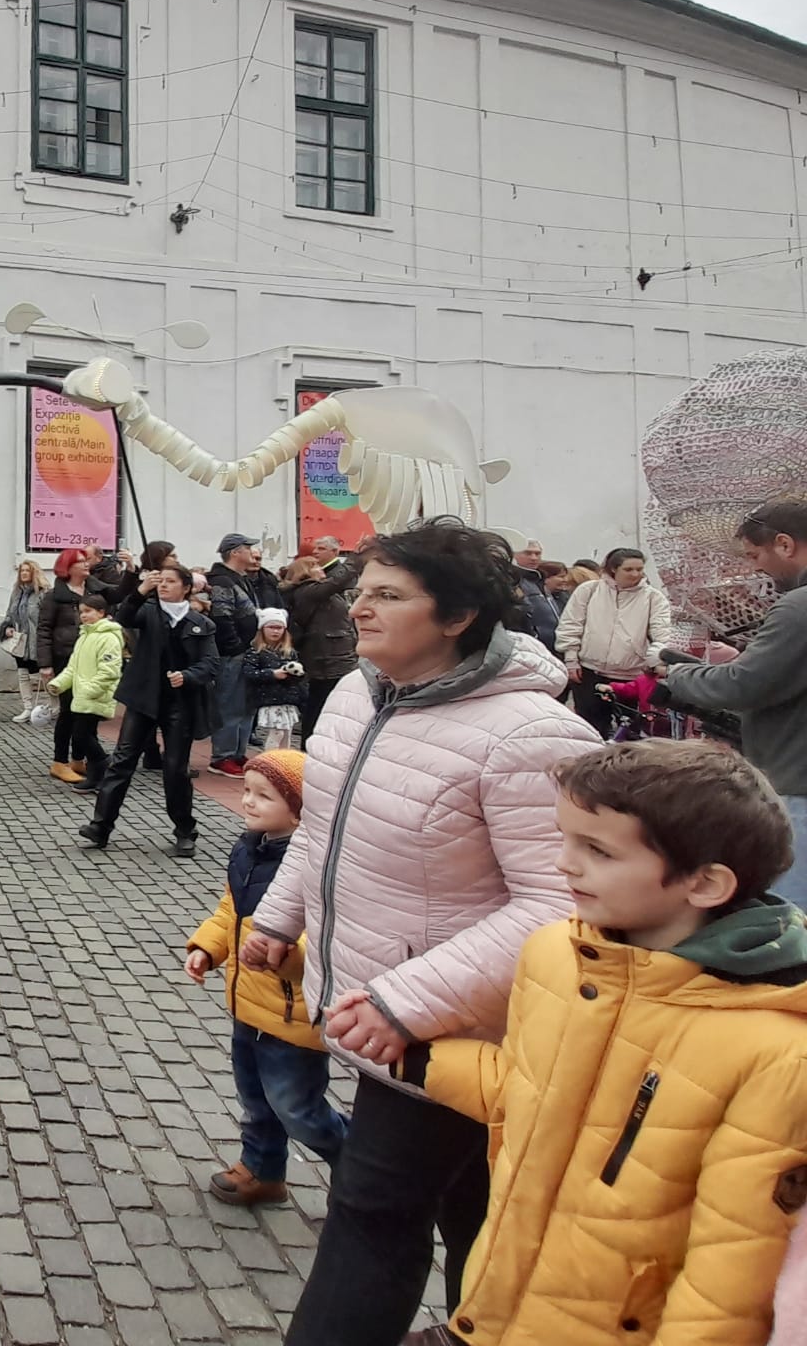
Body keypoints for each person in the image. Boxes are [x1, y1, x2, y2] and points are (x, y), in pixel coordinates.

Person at [240, 517, 599, 1346]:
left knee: (373, 1213)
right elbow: (324, 830)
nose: (360, 610)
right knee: (479, 1211)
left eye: (389, 596)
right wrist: (277, 919)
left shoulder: (530, 735)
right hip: (387, 1012)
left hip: (460, 1031)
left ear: (457, 616)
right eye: (360, 592)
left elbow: (563, 907)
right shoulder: (355, 692)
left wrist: (406, 1000)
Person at [380, 740, 807, 1346]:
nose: (564, 864)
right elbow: (529, 1093)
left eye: (597, 851)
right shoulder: (559, 956)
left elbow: (729, 1273)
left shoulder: (777, 1052)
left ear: (706, 883)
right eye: (566, 839)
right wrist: (421, 1056)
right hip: (497, 1311)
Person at [184, 750, 345, 1207]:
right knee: (256, 1100)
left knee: (299, 1110)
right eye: (247, 791)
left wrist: (289, 956)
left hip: (293, 1016)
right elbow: (229, 912)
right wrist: (206, 948)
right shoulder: (248, 850)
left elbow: (328, 939)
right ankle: (262, 1169)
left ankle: (358, 1168)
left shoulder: (316, 867)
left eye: (264, 795)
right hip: (248, 1005)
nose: (249, 802)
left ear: (300, 810)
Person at [659, 500, 807, 909]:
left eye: (755, 555)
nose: (757, 568)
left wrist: (679, 677)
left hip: (798, 786)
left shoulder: (798, 608)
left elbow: (744, 685)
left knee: (790, 916)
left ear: (784, 544)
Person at [77, 565, 218, 855]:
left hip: (179, 704)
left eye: (170, 582)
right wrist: (140, 591)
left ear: (187, 587)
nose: (163, 586)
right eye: (160, 581)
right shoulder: (148, 611)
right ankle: (100, 826)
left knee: (175, 768)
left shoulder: (200, 624)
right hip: (143, 698)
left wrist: (188, 676)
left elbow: (211, 663)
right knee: (122, 761)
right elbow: (125, 616)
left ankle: (184, 830)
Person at [557, 545, 673, 737]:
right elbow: (570, 625)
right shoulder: (589, 590)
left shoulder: (654, 597)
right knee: (590, 729)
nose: (635, 574)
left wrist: (653, 664)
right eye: (628, 569)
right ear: (613, 569)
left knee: (629, 731)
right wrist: (570, 659)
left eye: (639, 569)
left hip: (631, 674)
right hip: (589, 671)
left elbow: (662, 635)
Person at [206, 534, 282, 777]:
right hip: (234, 654)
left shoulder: (240, 579)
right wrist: (236, 646)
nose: (252, 552)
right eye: (248, 548)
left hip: (248, 650)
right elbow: (222, 615)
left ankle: (238, 753)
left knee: (247, 704)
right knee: (230, 703)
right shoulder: (223, 581)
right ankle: (222, 756)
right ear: (236, 552)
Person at [46, 593, 122, 792]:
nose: (84, 616)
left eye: (88, 611)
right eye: (81, 612)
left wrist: (89, 690)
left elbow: (109, 671)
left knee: (82, 735)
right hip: (81, 697)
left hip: (95, 696)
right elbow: (73, 667)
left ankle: (103, 767)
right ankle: (100, 772)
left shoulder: (109, 638)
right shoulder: (84, 636)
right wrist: (58, 684)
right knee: (85, 735)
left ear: (101, 612)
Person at [38, 550, 102, 782]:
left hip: (91, 659)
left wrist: (134, 574)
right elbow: (44, 630)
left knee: (89, 710)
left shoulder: (93, 591)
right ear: (69, 567)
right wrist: (45, 665)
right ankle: (59, 761)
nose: (87, 564)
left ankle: (78, 758)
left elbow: (118, 593)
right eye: (81, 561)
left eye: (87, 560)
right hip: (65, 658)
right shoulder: (54, 596)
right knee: (69, 711)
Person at [281, 554, 359, 743]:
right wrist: (356, 557)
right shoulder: (307, 591)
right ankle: (310, 745)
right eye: (315, 565)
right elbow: (339, 579)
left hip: (335, 654)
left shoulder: (317, 592)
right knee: (319, 703)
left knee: (325, 702)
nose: (321, 568)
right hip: (326, 657)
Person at [242, 607, 307, 752]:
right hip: (270, 699)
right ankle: (268, 762)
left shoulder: (289, 652)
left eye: (279, 628)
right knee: (276, 733)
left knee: (287, 735)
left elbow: (299, 679)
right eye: (271, 627)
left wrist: (295, 676)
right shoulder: (255, 651)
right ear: (262, 628)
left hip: (288, 700)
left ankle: (282, 764)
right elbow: (249, 673)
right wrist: (272, 674)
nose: (275, 631)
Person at [2, 559, 48, 723]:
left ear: (34, 572)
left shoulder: (43, 592)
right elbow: (9, 613)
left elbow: (47, 618)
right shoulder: (16, 592)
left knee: (44, 675)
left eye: (27, 570)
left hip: (37, 640)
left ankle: (54, 706)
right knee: (22, 673)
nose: (24, 573)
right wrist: (7, 627)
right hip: (21, 640)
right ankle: (27, 707)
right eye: (22, 570)